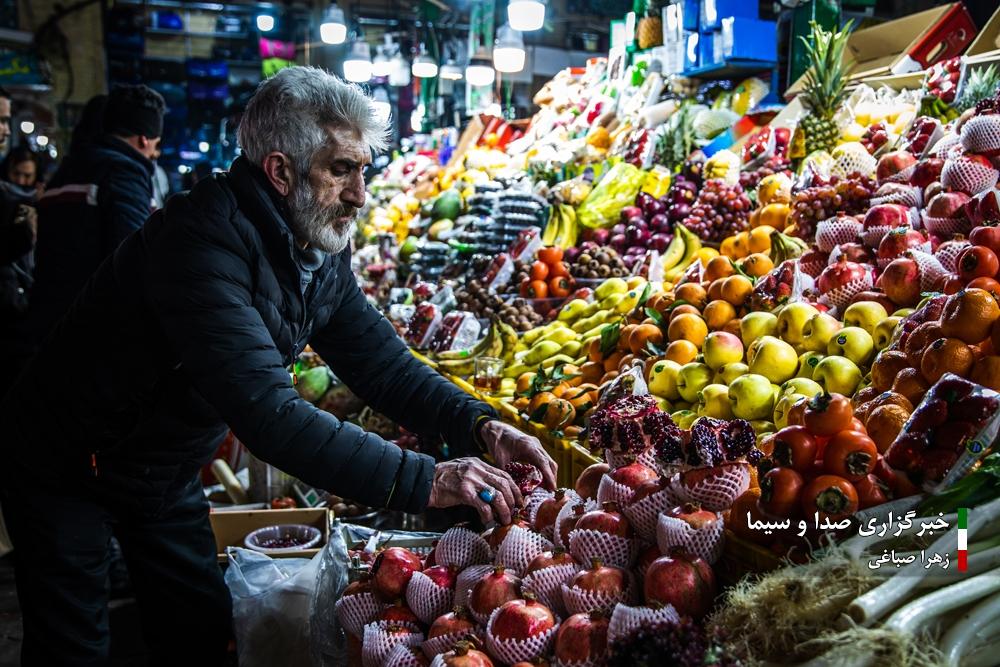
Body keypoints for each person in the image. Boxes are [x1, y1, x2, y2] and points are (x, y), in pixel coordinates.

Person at [0, 66, 556, 665]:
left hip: (160, 463)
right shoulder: (200, 244)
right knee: (73, 645)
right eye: (341, 169)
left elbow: (383, 365)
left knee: (196, 629)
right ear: (281, 172)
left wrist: (479, 424)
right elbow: (270, 415)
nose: (360, 194)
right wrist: (432, 479)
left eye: (363, 170)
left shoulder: (313, 249)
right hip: (64, 457)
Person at [21, 84, 164, 343]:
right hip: (90, 329)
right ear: (145, 139)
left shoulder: (67, 169)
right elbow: (131, 256)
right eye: (156, 143)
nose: (155, 152)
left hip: (48, 319)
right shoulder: (123, 174)